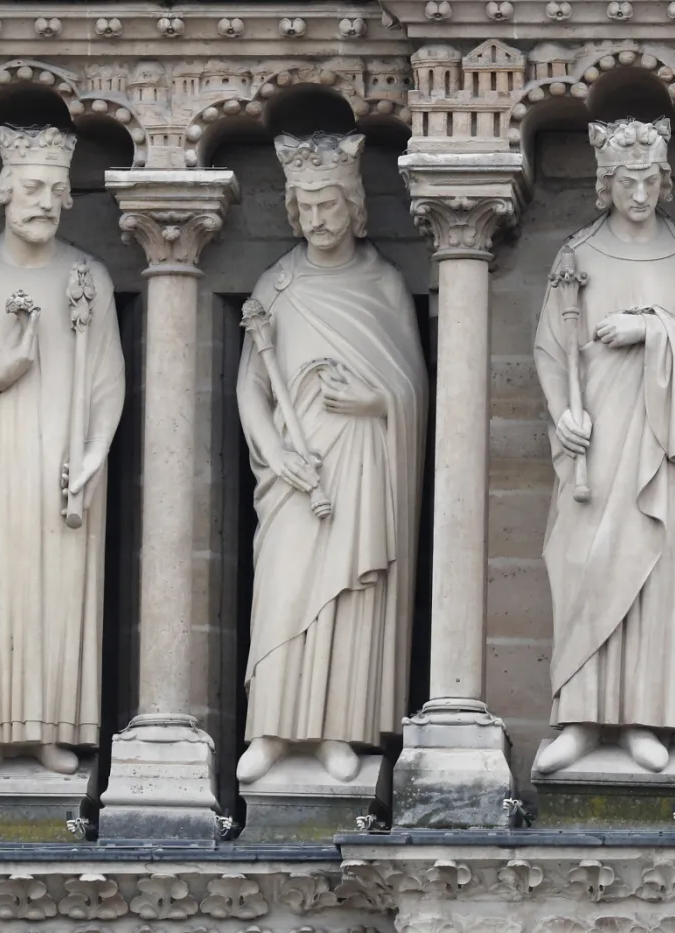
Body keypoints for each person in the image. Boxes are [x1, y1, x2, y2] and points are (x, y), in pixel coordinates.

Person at [533, 118, 675, 776]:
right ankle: (581, 717)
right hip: (594, 445)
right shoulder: (576, 256)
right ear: (605, 183)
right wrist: (562, 413)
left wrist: (650, 330)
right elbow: (551, 349)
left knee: (651, 579)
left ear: (663, 180)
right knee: (583, 567)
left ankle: (645, 717)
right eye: (626, 182)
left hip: (660, 449)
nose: (639, 194)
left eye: (649, 181)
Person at [235, 132, 429, 784]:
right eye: (306, 206)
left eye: (329, 205)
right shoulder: (277, 284)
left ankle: (336, 731)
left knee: (349, 596)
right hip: (295, 472)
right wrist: (274, 454)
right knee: (284, 589)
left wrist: (377, 399)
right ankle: (270, 729)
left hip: (361, 466)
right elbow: (251, 387)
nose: (317, 219)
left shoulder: (384, 284)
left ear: (353, 205)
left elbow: (414, 388)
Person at [0, 125, 126, 787]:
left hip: (61, 471)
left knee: (54, 592)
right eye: (33, 187)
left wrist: (94, 454)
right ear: (4, 191)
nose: (45, 201)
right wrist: (7, 368)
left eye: (56, 189)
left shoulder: (89, 278)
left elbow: (107, 384)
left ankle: (46, 730)